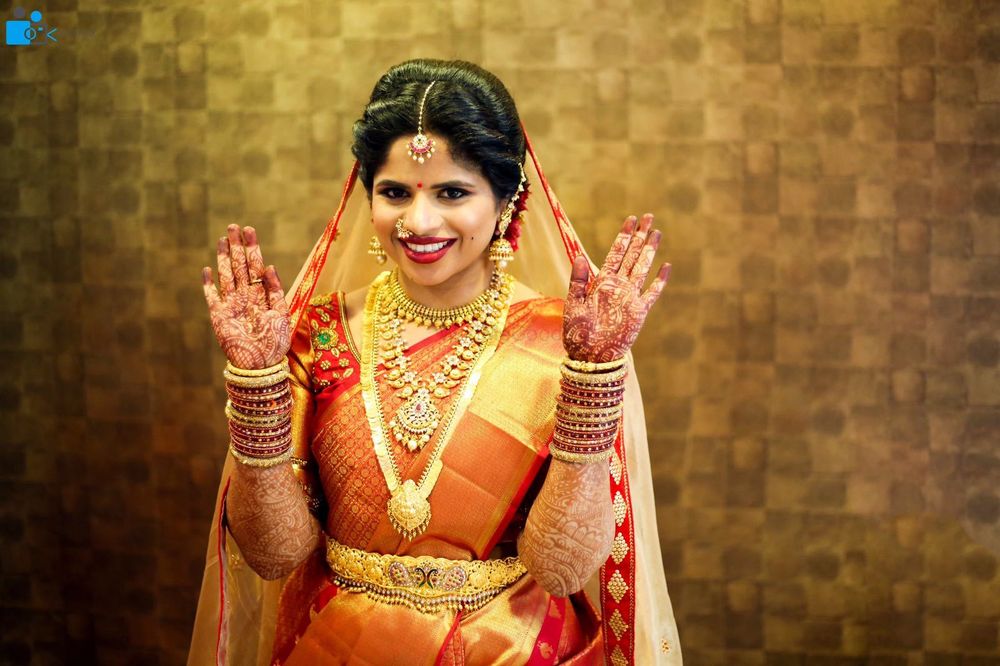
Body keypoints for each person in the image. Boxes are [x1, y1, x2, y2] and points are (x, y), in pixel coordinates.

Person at [189, 59, 681, 665]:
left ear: (506, 199)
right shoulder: (315, 336)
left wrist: (593, 384)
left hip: (514, 648)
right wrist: (258, 390)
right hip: (336, 644)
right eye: (395, 192)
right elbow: (275, 555)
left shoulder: (570, 343)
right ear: (366, 197)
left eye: (453, 192)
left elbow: (562, 570)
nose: (420, 222)